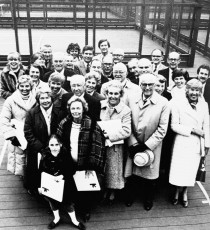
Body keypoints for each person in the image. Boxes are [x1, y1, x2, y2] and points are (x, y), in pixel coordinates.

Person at [124, 73, 170, 211]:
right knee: (132, 172)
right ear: (140, 85)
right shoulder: (131, 98)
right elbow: (125, 121)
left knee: (149, 174)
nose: (147, 87)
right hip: (133, 143)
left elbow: (162, 129)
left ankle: (148, 198)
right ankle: (130, 196)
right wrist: (133, 143)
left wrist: (146, 146)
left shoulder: (163, 103)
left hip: (152, 145)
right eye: (144, 84)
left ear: (155, 86)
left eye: (151, 84)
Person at [57, 97, 106, 222]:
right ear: (69, 110)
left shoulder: (92, 124)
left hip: (86, 163)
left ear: (84, 109)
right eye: (73, 108)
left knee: (85, 189)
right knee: (72, 187)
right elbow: (59, 142)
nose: (75, 111)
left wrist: (91, 165)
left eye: (78, 108)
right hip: (69, 162)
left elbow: (98, 145)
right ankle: (73, 208)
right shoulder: (64, 123)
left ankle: (85, 210)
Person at [169, 79, 209, 208]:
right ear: (187, 90)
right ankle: (176, 191)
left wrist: (207, 144)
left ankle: (185, 192)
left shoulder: (204, 105)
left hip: (197, 144)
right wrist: (192, 130)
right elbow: (174, 125)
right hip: (182, 141)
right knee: (179, 169)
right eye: (192, 89)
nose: (194, 93)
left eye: (197, 90)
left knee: (190, 170)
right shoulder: (178, 104)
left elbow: (207, 125)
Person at [39, 135, 86, 230]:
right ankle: (56, 218)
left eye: (56, 144)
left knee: (68, 202)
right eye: (51, 145)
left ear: (60, 145)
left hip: (65, 184)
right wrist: (41, 185)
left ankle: (74, 220)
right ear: (48, 146)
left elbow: (72, 169)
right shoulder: (45, 156)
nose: (54, 147)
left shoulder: (65, 155)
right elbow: (40, 172)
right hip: (51, 184)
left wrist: (62, 176)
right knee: (53, 201)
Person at [24, 86, 61, 195]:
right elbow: (28, 132)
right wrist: (41, 147)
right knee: (36, 173)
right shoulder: (32, 113)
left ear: (51, 98)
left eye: (47, 98)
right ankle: (37, 191)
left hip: (55, 147)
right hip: (37, 148)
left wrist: (54, 146)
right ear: (38, 99)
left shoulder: (59, 112)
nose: (45, 101)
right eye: (42, 98)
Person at [100, 80, 131, 202]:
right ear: (106, 93)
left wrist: (109, 136)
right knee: (103, 168)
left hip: (115, 146)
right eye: (110, 93)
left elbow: (126, 131)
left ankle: (112, 190)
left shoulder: (125, 110)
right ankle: (103, 189)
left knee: (113, 170)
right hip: (101, 144)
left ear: (120, 95)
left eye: (116, 93)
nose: (112, 96)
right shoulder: (101, 105)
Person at [0, 75, 36, 177]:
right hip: (17, 134)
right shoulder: (11, 100)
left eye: (27, 86)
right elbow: (4, 119)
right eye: (22, 86)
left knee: (32, 158)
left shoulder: (36, 98)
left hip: (32, 133)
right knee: (19, 158)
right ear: (18, 86)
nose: (24, 89)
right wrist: (11, 135)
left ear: (31, 86)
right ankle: (23, 176)